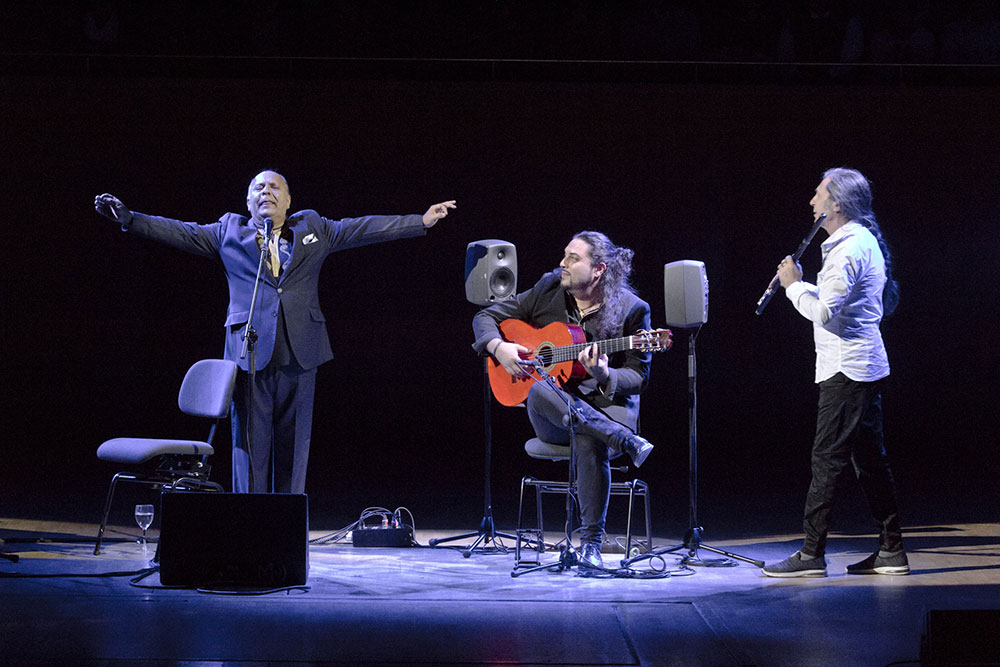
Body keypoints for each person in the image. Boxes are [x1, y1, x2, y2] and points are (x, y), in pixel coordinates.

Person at [95, 171, 455, 494]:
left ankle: (284, 532)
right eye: (258, 187)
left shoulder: (314, 228)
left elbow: (360, 228)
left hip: (301, 352)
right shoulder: (228, 232)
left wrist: (418, 221)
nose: (266, 191)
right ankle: (248, 528)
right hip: (249, 354)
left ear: (288, 200)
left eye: (274, 187)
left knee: (293, 449)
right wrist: (131, 219)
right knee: (249, 448)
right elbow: (179, 230)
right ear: (248, 201)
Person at [472, 231, 654, 570]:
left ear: (598, 270)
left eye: (573, 258)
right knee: (541, 385)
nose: (562, 263)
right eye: (564, 255)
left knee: (588, 437)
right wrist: (499, 347)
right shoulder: (548, 287)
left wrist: (605, 375)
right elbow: (485, 317)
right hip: (551, 413)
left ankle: (591, 547)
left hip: (605, 409)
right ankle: (624, 440)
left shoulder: (633, 310)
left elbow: (639, 378)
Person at [762, 167, 907, 577]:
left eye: (818, 195)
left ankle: (811, 555)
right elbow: (831, 304)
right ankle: (892, 551)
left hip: (848, 370)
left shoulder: (848, 248)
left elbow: (824, 313)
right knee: (871, 462)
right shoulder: (854, 241)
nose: (812, 202)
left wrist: (791, 285)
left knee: (826, 460)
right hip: (859, 366)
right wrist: (801, 286)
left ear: (836, 204)